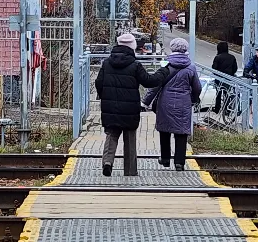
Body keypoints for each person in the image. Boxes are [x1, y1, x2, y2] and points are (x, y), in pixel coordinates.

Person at [95, 32, 169, 177]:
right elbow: (149, 81)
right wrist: (163, 71)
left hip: (110, 107)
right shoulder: (135, 65)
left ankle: (107, 162)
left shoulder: (107, 63)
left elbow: (98, 82)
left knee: (111, 135)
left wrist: (105, 97)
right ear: (132, 47)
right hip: (130, 108)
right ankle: (130, 171)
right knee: (130, 138)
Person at [144, 37, 201, 172]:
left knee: (165, 130)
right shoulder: (191, 68)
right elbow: (197, 88)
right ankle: (179, 162)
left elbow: (155, 86)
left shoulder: (165, 66)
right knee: (181, 133)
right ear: (185, 50)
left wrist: (145, 101)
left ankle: (165, 158)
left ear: (172, 49)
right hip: (183, 103)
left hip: (165, 103)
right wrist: (192, 99)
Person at [211, 41, 239, 114]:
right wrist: (231, 74)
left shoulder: (217, 57)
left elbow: (214, 69)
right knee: (227, 94)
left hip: (219, 79)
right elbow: (235, 68)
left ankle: (217, 108)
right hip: (228, 79)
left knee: (218, 94)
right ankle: (227, 109)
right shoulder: (232, 57)